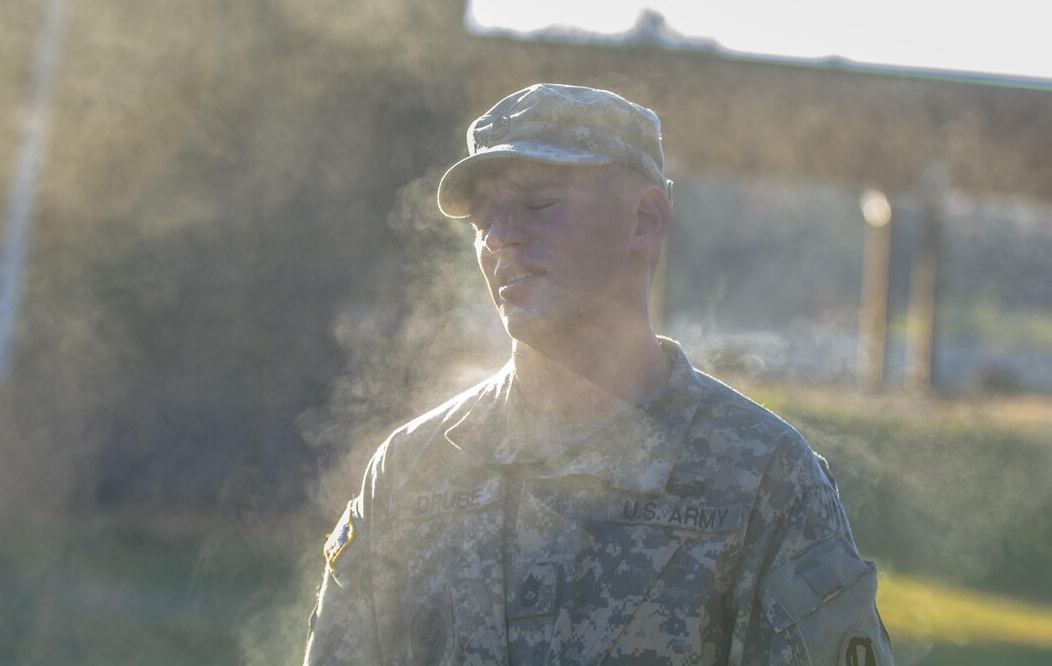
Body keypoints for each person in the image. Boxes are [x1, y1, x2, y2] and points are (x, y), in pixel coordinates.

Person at [303, 83, 893, 665]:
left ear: (645, 220)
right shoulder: (412, 471)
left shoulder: (763, 478)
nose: (501, 237)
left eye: (538, 204)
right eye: (483, 220)